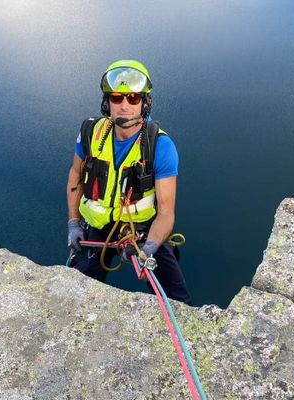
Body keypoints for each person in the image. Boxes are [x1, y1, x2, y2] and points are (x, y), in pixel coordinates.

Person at [66, 59, 192, 305]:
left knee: (176, 301)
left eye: (133, 98)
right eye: (116, 97)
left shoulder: (159, 146)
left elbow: (166, 213)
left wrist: (150, 247)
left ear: (145, 102)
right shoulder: (91, 133)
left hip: (142, 230)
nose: (124, 105)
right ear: (107, 102)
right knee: (77, 296)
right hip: (96, 226)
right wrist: (73, 223)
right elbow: (75, 176)